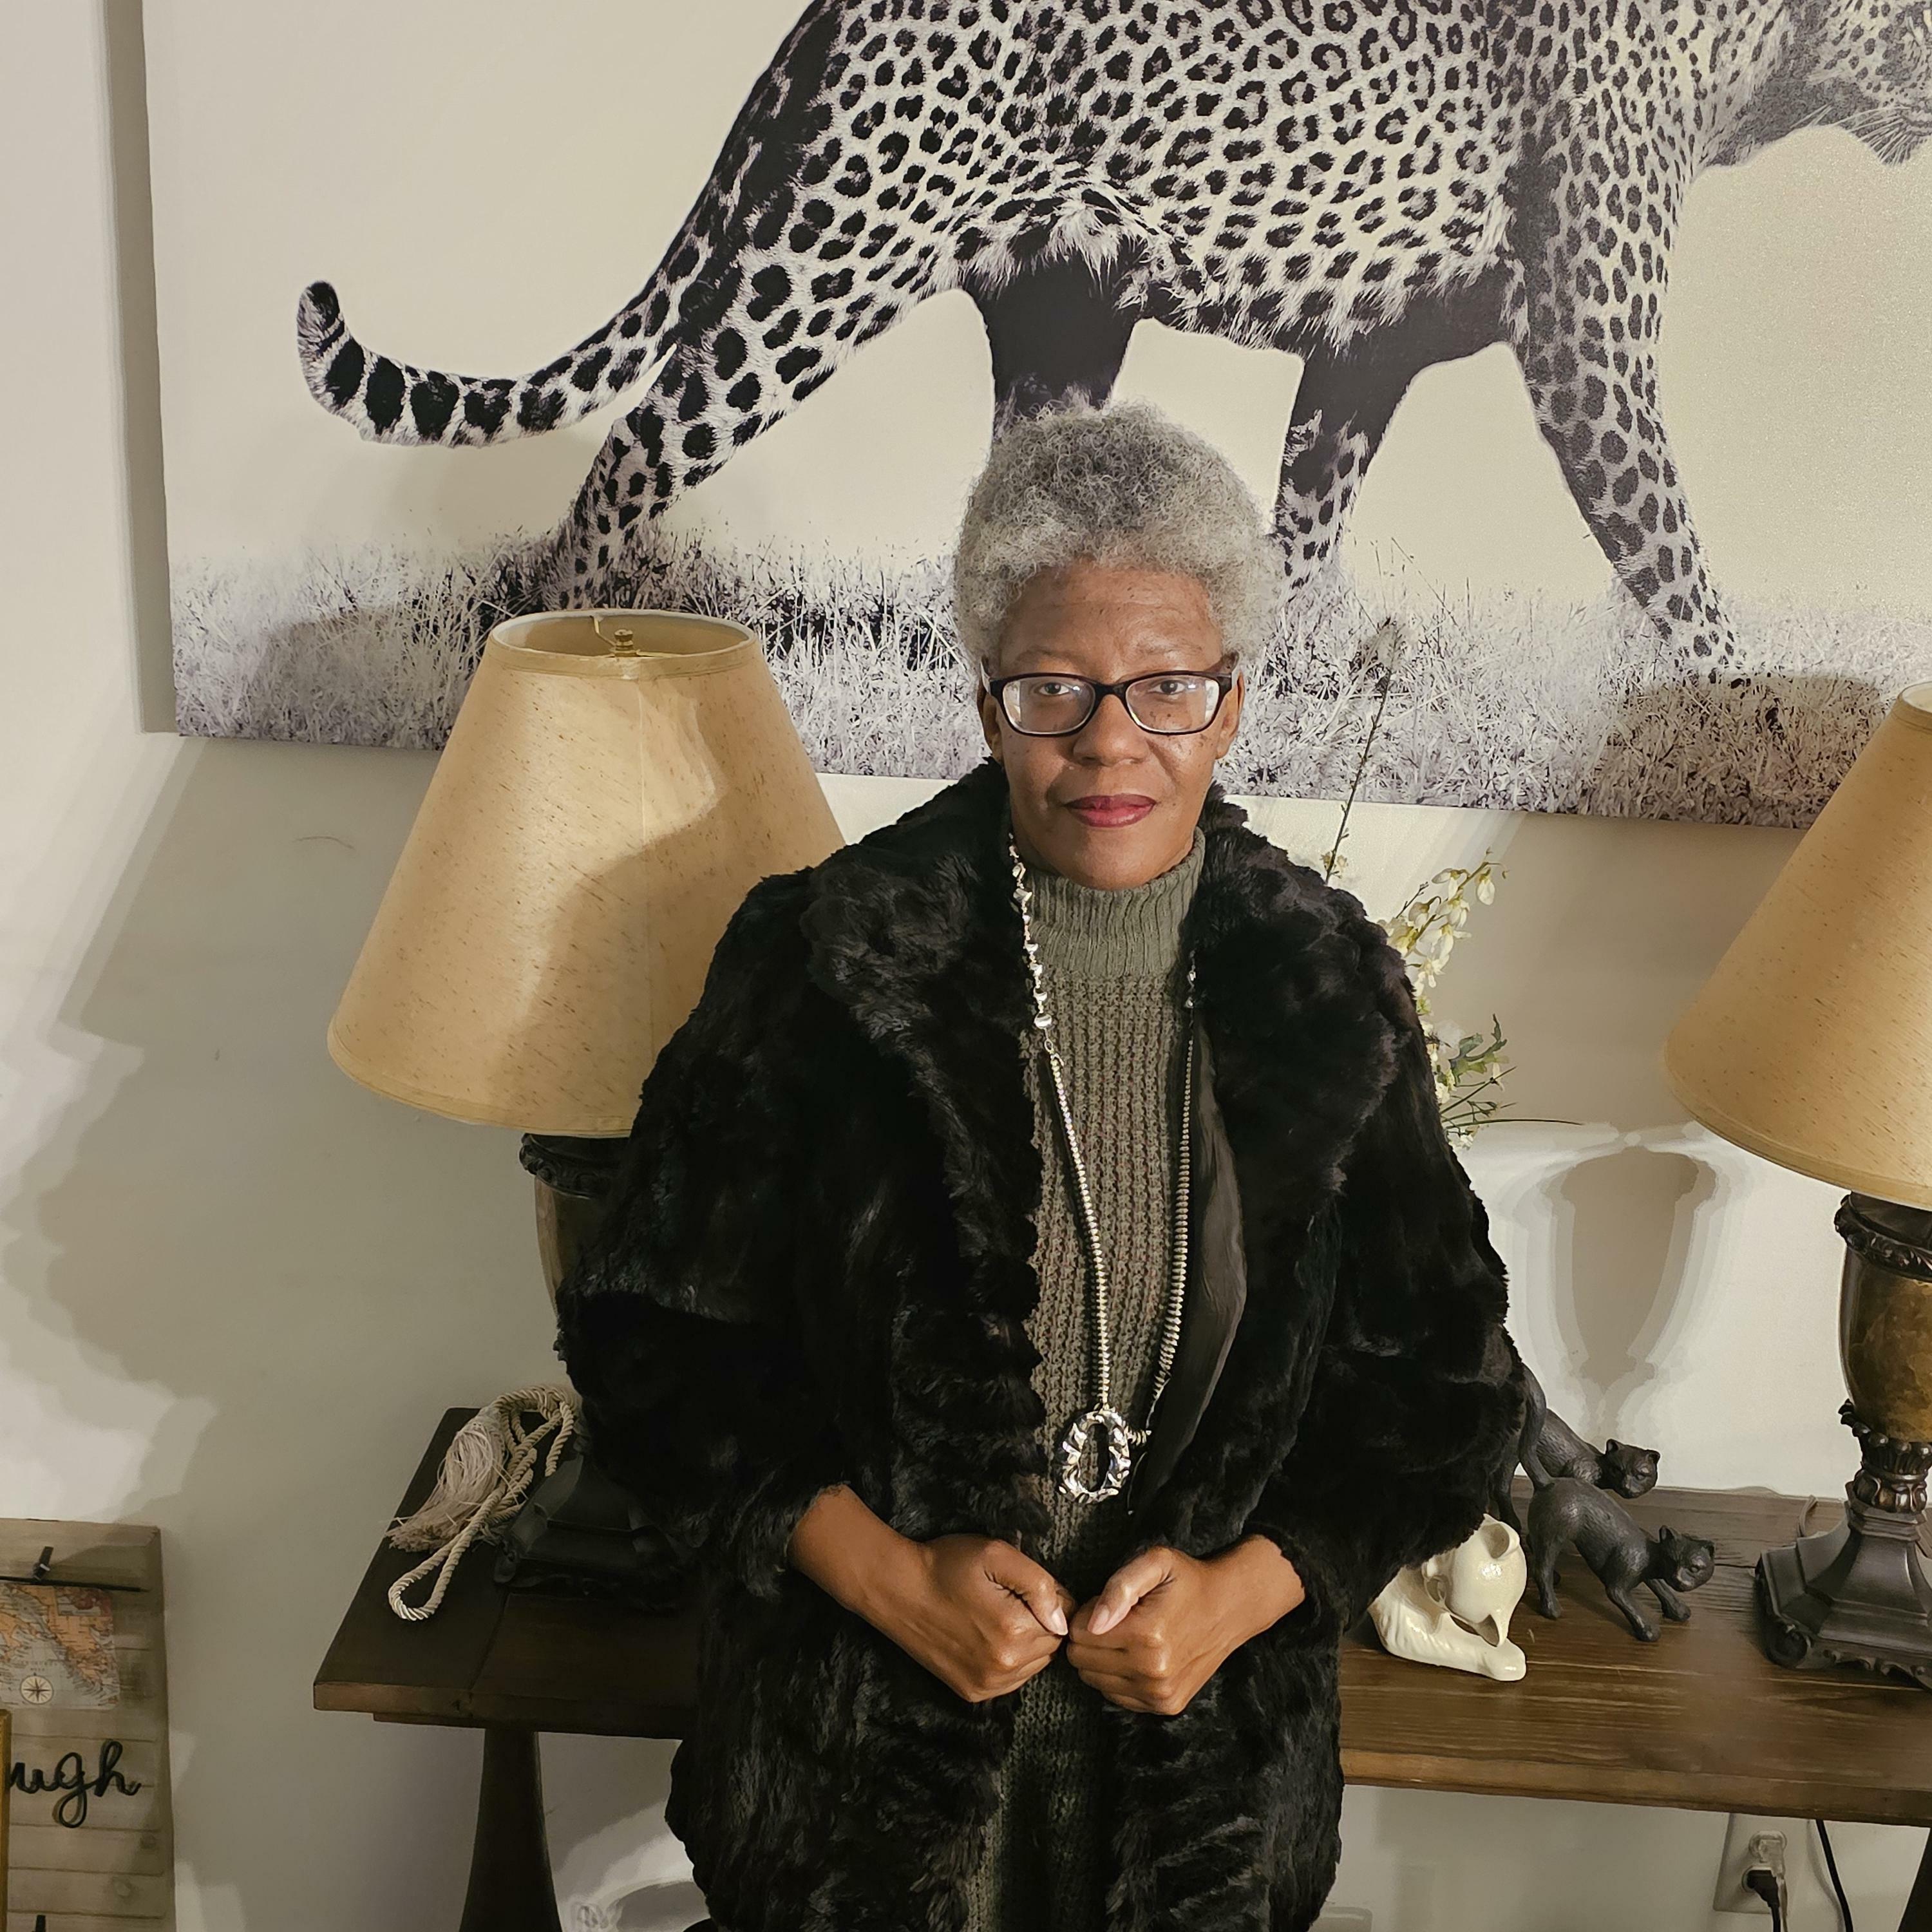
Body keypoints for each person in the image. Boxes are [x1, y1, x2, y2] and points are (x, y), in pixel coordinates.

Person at [551, 399, 1524, 1932]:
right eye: (1055, 690)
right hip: (856, 1799)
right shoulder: (830, 956)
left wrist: (1250, 1591)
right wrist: (886, 1578)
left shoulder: (1327, 988)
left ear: (1233, 703)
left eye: (1168, 688)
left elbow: (1446, 1388)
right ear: (990, 702)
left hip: (1203, 1811)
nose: (1111, 742)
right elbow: (649, 1340)